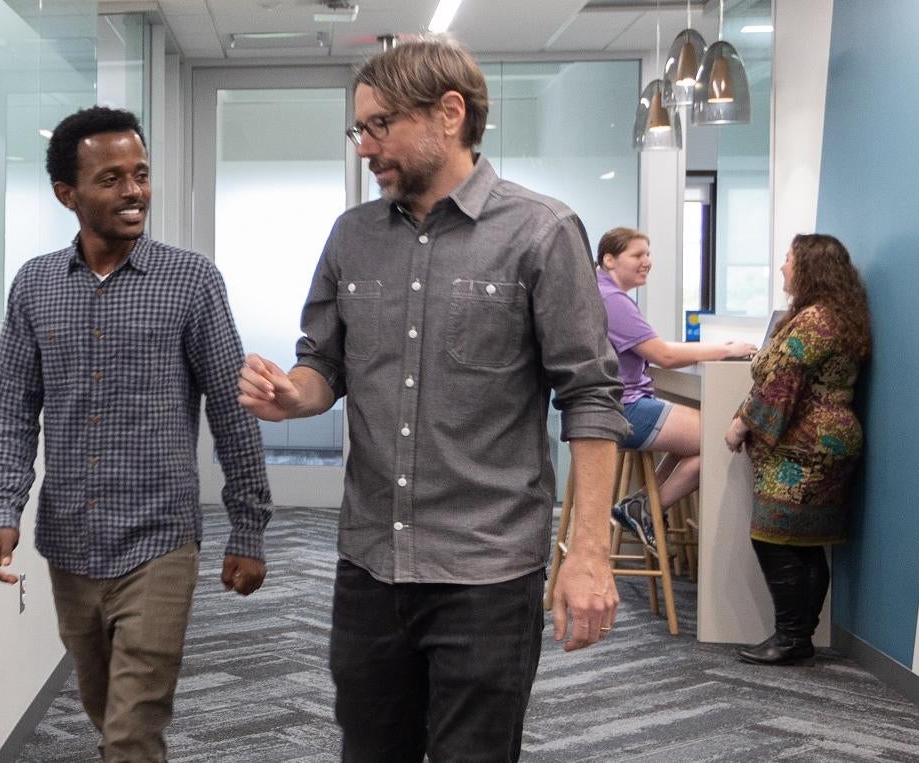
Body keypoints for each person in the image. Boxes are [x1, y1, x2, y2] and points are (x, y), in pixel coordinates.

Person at [236, 39, 629, 761]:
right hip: (370, 565)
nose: (365, 147)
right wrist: (292, 395)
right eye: (358, 129)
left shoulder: (540, 232)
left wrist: (589, 553)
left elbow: (592, 397)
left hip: (487, 571)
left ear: (449, 113)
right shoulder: (351, 236)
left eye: (379, 125)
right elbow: (323, 363)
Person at [0, 105, 272, 763]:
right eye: (110, 178)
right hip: (69, 544)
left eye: (139, 173)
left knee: (133, 726)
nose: (133, 190)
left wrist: (247, 528)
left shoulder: (190, 281)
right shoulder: (34, 286)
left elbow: (231, 408)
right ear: (67, 194)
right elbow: (9, 408)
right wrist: (3, 508)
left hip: (158, 541)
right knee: (104, 710)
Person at [724, 234, 870, 666]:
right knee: (804, 543)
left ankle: (791, 637)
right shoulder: (839, 316)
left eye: (788, 259)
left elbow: (781, 378)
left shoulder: (816, 320)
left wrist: (741, 423)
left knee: (772, 537)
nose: (783, 266)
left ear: (808, 268)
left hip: (805, 446)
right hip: (829, 441)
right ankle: (798, 636)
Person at [594, 227, 756, 546]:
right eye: (638, 255)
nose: (647, 262)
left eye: (648, 254)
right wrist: (726, 350)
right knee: (716, 438)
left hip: (611, 405)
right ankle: (649, 507)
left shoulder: (601, 293)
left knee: (696, 435)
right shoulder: (613, 301)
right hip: (624, 409)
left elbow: (652, 346)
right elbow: (663, 356)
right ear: (609, 260)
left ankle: (641, 504)